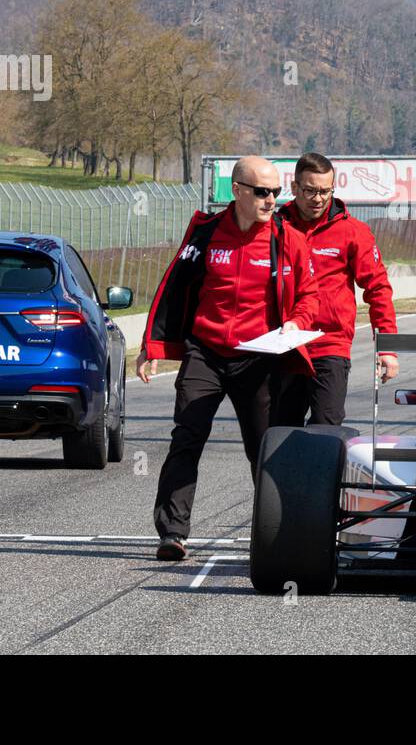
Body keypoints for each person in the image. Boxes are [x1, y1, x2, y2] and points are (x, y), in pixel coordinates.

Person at [136, 155, 320, 561]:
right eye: (262, 192)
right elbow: (174, 286)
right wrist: (154, 347)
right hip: (206, 352)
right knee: (187, 436)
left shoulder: (288, 240)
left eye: (276, 192)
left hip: (258, 359)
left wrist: (296, 321)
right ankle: (172, 532)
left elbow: (309, 295)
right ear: (237, 191)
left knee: (264, 448)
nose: (271, 199)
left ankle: (279, 533)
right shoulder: (205, 234)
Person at [274, 152, 399, 425]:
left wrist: (387, 347)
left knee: (326, 430)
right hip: (283, 346)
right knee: (277, 433)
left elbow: (378, 288)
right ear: (294, 188)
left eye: (325, 191)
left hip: (329, 346)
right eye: (310, 191)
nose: (318, 199)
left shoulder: (353, 232)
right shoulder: (274, 229)